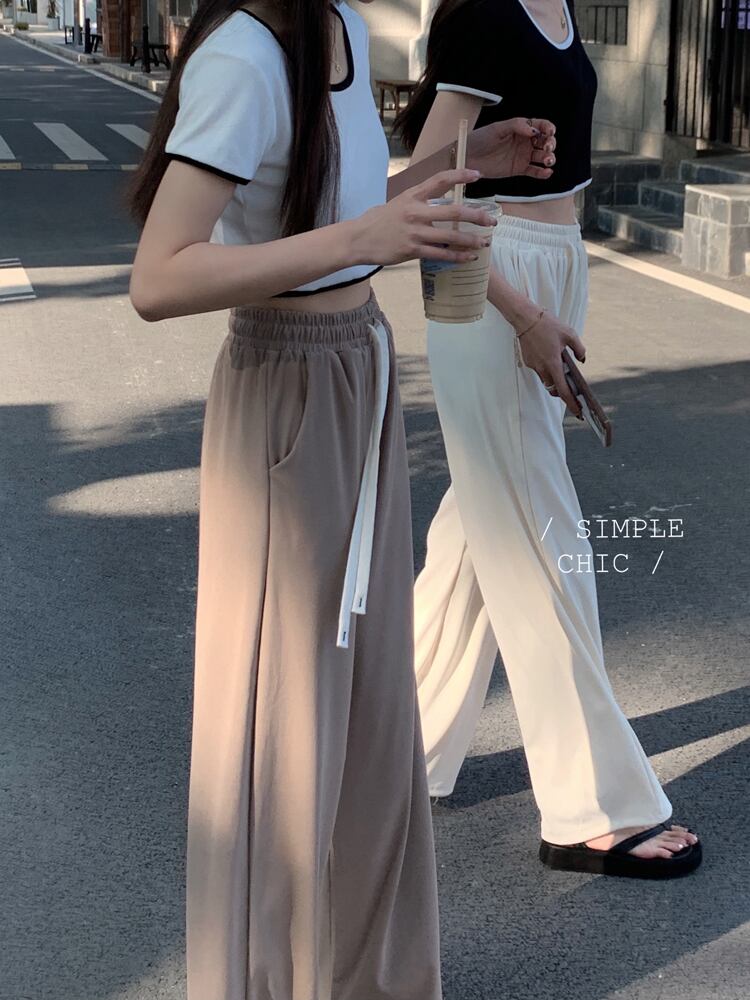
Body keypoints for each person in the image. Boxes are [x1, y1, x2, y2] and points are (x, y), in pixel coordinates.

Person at [127, 0, 558, 995]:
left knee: (374, 723)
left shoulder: (343, 29)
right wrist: (366, 235)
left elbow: (341, 212)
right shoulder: (245, 54)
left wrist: (463, 161)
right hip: (286, 390)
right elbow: (159, 276)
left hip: (360, 368)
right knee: (280, 740)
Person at [396, 0, 702, 879]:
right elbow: (426, 187)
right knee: (539, 532)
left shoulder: (557, 4)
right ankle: (592, 807)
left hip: (553, 264)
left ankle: (393, 745)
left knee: (481, 523)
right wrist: (525, 314)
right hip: (486, 272)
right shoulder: (483, 13)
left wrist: (552, 295)